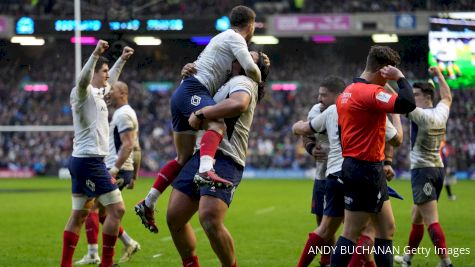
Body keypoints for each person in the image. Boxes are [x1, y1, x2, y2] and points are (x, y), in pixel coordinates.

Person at [135, 5, 262, 234]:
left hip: (184, 91)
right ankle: (205, 170)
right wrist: (260, 76)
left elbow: (203, 66)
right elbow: (251, 68)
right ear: (250, 25)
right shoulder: (235, 37)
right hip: (193, 90)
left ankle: (149, 201)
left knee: (183, 157)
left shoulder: (220, 43)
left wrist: (186, 69)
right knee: (217, 122)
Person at [166, 51, 269, 267]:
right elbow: (192, 95)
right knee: (175, 217)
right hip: (202, 154)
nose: (238, 55)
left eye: (248, 56)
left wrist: (203, 113)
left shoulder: (244, 81)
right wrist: (186, 74)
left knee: (210, 219)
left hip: (226, 156)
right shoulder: (221, 82)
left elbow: (239, 104)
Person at [292, 81, 403, 267]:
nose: (319, 98)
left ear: (339, 95)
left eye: (324, 94)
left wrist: (297, 127)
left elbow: (304, 129)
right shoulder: (368, 108)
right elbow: (395, 139)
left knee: (329, 229)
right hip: (358, 173)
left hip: (332, 176)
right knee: (366, 231)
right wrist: (396, 116)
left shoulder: (330, 111)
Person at [331, 45, 416, 267]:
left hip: (360, 166)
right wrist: (400, 78)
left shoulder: (346, 93)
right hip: (365, 169)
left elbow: (342, 133)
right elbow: (407, 103)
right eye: (389, 72)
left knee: (386, 229)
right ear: (383, 71)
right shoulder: (371, 93)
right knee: (350, 233)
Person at [60, 40, 133, 267]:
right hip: (89, 161)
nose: (107, 76)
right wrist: (94, 54)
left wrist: (121, 59)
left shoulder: (100, 93)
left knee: (79, 215)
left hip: (83, 161)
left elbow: (109, 79)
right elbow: (83, 79)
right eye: (103, 72)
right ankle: (107, 263)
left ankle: (65, 264)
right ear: (93, 72)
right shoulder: (82, 92)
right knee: (117, 209)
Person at [75, 81, 141, 265]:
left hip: (115, 169)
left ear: (122, 93)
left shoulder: (124, 114)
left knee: (93, 209)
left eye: (113, 90)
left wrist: (115, 169)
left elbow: (128, 146)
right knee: (103, 211)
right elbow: (136, 148)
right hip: (121, 169)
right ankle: (128, 243)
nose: (109, 93)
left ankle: (96, 255)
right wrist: (134, 175)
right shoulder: (126, 113)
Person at [394, 67, 454, 267]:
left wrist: (385, 83)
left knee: (431, 220)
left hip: (422, 172)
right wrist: (439, 75)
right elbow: (447, 96)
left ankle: (446, 262)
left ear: (427, 96)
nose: (413, 97)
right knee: (416, 216)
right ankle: (408, 259)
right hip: (437, 170)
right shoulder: (440, 112)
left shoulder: (421, 115)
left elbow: (398, 101)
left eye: (416, 95)